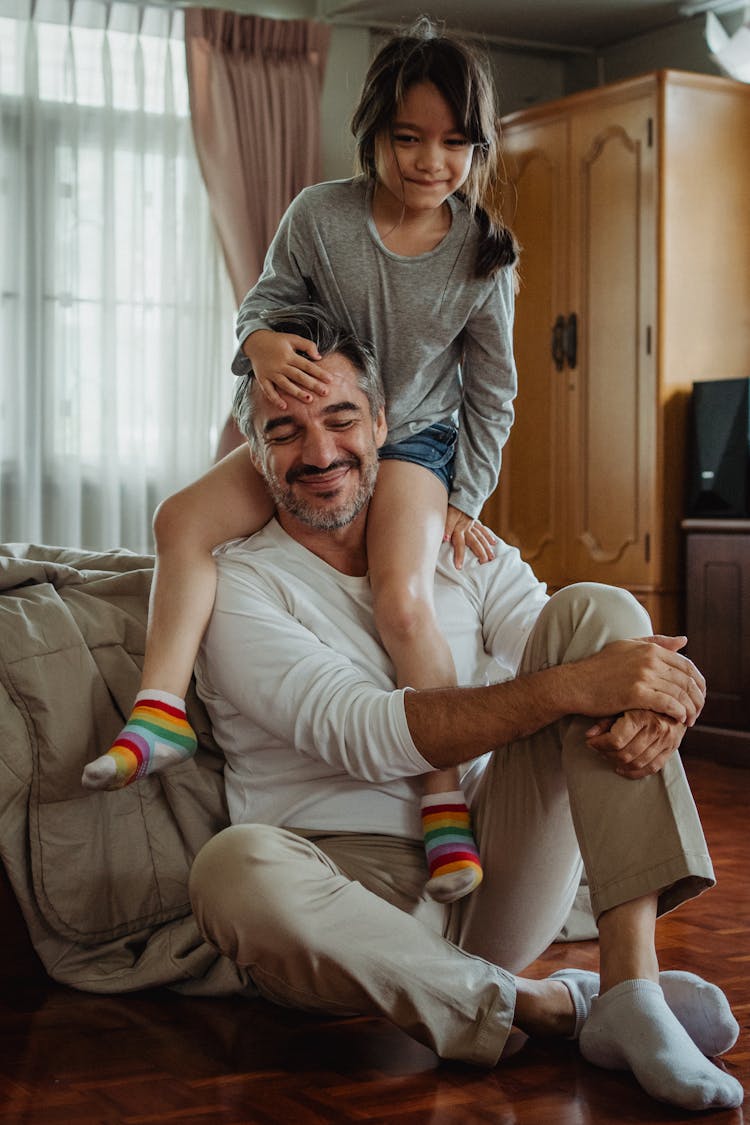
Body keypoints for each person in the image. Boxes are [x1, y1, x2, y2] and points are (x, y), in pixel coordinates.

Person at [185, 305, 743, 1114]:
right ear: (253, 451)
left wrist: (650, 685)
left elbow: (586, 652)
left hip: (491, 865)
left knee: (602, 613)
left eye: (342, 418)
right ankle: (555, 1004)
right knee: (229, 870)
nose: (320, 452)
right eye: (284, 431)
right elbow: (371, 733)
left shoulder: (455, 544)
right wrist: (572, 689)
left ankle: (631, 983)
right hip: (341, 905)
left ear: (382, 423)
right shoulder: (237, 582)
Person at [82, 18, 522, 903]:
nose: (429, 161)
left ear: (477, 150)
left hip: (416, 439)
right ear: (373, 136)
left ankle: (442, 799)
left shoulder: (483, 254)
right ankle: (160, 708)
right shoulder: (320, 215)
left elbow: (493, 390)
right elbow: (266, 302)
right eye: (407, 139)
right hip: (316, 415)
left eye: (452, 144)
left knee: (401, 596)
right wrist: (264, 340)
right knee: (179, 520)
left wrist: (464, 494)